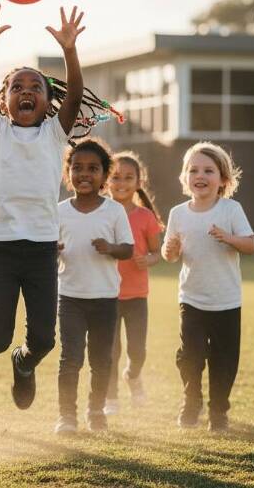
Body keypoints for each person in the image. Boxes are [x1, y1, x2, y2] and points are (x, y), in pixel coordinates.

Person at [0, 1, 113, 410]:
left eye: (36, 88)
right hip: (4, 247)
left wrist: (69, 50)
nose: (27, 92)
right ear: (3, 101)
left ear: (49, 102)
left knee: (44, 337)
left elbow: (77, 93)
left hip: (43, 248)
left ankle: (23, 365)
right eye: (17, 87)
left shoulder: (54, 134)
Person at [162, 142, 254, 432]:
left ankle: (219, 412)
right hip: (191, 298)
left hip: (226, 300)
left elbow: (250, 245)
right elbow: (169, 255)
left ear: (223, 180)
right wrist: (172, 247)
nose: (200, 175)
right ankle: (191, 400)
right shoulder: (178, 213)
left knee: (224, 361)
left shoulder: (231, 209)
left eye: (208, 170)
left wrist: (229, 238)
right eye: (193, 170)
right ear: (184, 177)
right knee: (189, 355)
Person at [55, 138, 133, 434]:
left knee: (101, 360)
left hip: (104, 299)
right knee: (70, 358)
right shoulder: (60, 211)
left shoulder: (113, 211)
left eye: (92, 169)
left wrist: (110, 247)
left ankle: (96, 411)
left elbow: (128, 249)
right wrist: (54, 249)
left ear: (104, 176)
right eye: (77, 168)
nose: (84, 174)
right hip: (70, 297)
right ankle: (66, 416)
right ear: (68, 173)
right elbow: (48, 247)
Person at [103, 151, 162, 416]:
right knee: (110, 351)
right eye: (116, 177)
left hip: (137, 295)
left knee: (137, 351)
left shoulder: (146, 217)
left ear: (139, 181)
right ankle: (110, 398)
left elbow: (156, 253)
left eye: (128, 177)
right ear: (106, 180)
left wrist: (148, 260)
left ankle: (133, 376)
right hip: (106, 294)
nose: (122, 183)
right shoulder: (101, 212)